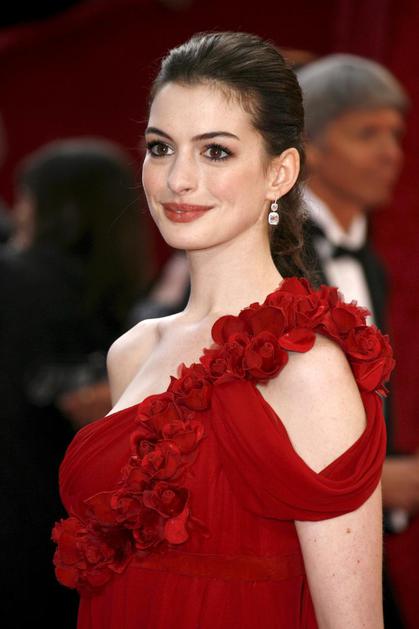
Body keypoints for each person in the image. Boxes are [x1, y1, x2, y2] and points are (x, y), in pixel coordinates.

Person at [52, 32, 392, 628]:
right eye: (161, 148)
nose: (178, 179)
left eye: (215, 151)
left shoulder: (306, 367)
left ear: (280, 172)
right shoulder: (132, 352)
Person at [0, 138, 151, 627]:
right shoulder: (132, 304)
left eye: (25, 198)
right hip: (81, 525)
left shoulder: (13, 280)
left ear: (54, 209)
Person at [297, 54, 419, 627]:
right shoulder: (268, 253)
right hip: (285, 554)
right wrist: (371, 483)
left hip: (354, 545)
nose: (391, 153)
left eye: (395, 135)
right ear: (309, 147)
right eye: (367, 134)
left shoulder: (369, 263)